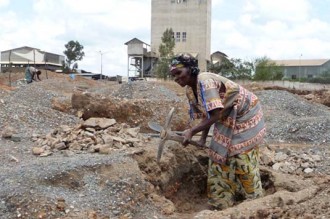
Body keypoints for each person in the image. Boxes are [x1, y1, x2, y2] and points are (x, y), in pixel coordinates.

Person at [169, 53, 266, 210]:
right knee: (217, 153)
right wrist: (201, 139)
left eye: (179, 73)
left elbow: (215, 114)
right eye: (173, 75)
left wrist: (192, 131)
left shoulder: (205, 81)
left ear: (191, 69)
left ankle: (254, 202)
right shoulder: (190, 91)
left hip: (245, 113)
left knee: (239, 153)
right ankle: (221, 202)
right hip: (225, 115)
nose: (176, 78)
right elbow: (207, 114)